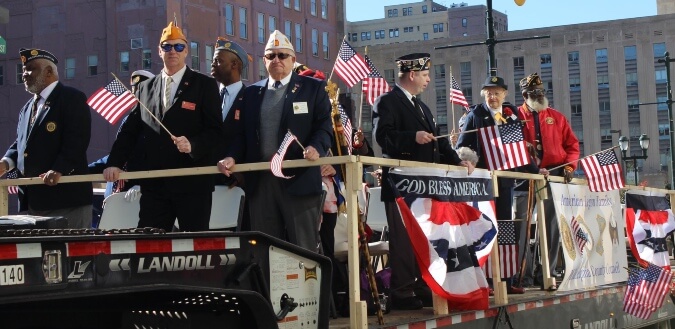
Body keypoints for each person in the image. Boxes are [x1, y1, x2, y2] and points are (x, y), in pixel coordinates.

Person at [374, 53, 474, 310]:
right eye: (426, 74)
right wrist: (412, 137)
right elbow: (383, 137)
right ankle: (402, 290)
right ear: (412, 74)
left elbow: (438, 142)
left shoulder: (423, 107)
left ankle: (421, 284)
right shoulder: (387, 101)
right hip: (400, 184)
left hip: (425, 185)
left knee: (425, 238)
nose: (429, 79)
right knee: (404, 239)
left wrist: (457, 161)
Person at [217, 30, 333, 251]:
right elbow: (242, 135)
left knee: (304, 249)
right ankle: (270, 288)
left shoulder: (312, 88)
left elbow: (324, 127)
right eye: (271, 56)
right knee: (266, 251)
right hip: (262, 183)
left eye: (282, 55)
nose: (277, 60)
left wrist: (315, 147)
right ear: (264, 60)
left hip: (298, 179)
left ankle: (308, 288)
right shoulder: (251, 93)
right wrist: (231, 156)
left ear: (292, 59)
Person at [103, 21, 222, 232]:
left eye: (178, 46)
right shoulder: (145, 88)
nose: (172, 51)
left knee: (196, 248)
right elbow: (129, 132)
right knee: (150, 246)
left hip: (192, 184)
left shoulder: (204, 84)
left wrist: (193, 144)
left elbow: (216, 131)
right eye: (167, 46)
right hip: (156, 184)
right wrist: (115, 163)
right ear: (159, 51)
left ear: (186, 51)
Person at [456, 76, 538, 294]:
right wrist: (469, 161)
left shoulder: (510, 117)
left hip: (504, 183)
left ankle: (506, 279)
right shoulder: (476, 115)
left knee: (505, 229)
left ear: (505, 94)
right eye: (489, 93)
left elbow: (518, 154)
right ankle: (484, 281)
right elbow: (462, 146)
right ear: (484, 94)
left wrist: (538, 172)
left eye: (497, 93)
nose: (493, 97)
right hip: (481, 183)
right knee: (483, 229)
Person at [0, 48, 92, 228]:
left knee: (70, 254)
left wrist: (59, 169)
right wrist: (6, 162)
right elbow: (21, 145)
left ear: (49, 72)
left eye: (30, 69)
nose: (24, 74)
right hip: (36, 201)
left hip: (67, 200)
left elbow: (77, 140)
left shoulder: (71, 98)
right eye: (24, 69)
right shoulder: (27, 108)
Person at [515, 72, 580, 289]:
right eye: (535, 93)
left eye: (542, 92)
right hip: (525, 176)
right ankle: (522, 275)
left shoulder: (557, 117)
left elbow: (572, 145)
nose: (540, 96)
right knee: (522, 226)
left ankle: (547, 273)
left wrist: (570, 166)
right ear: (525, 95)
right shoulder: (514, 117)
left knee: (551, 225)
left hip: (554, 174)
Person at [89, 69, 155, 199]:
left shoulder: (159, 122)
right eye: (135, 91)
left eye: (143, 91)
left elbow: (161, 159)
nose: (137, 95)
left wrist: (145, 185)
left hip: (141, 197)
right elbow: (120, 154)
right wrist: (81, 170)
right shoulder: (128, 120)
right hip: (116, 195)